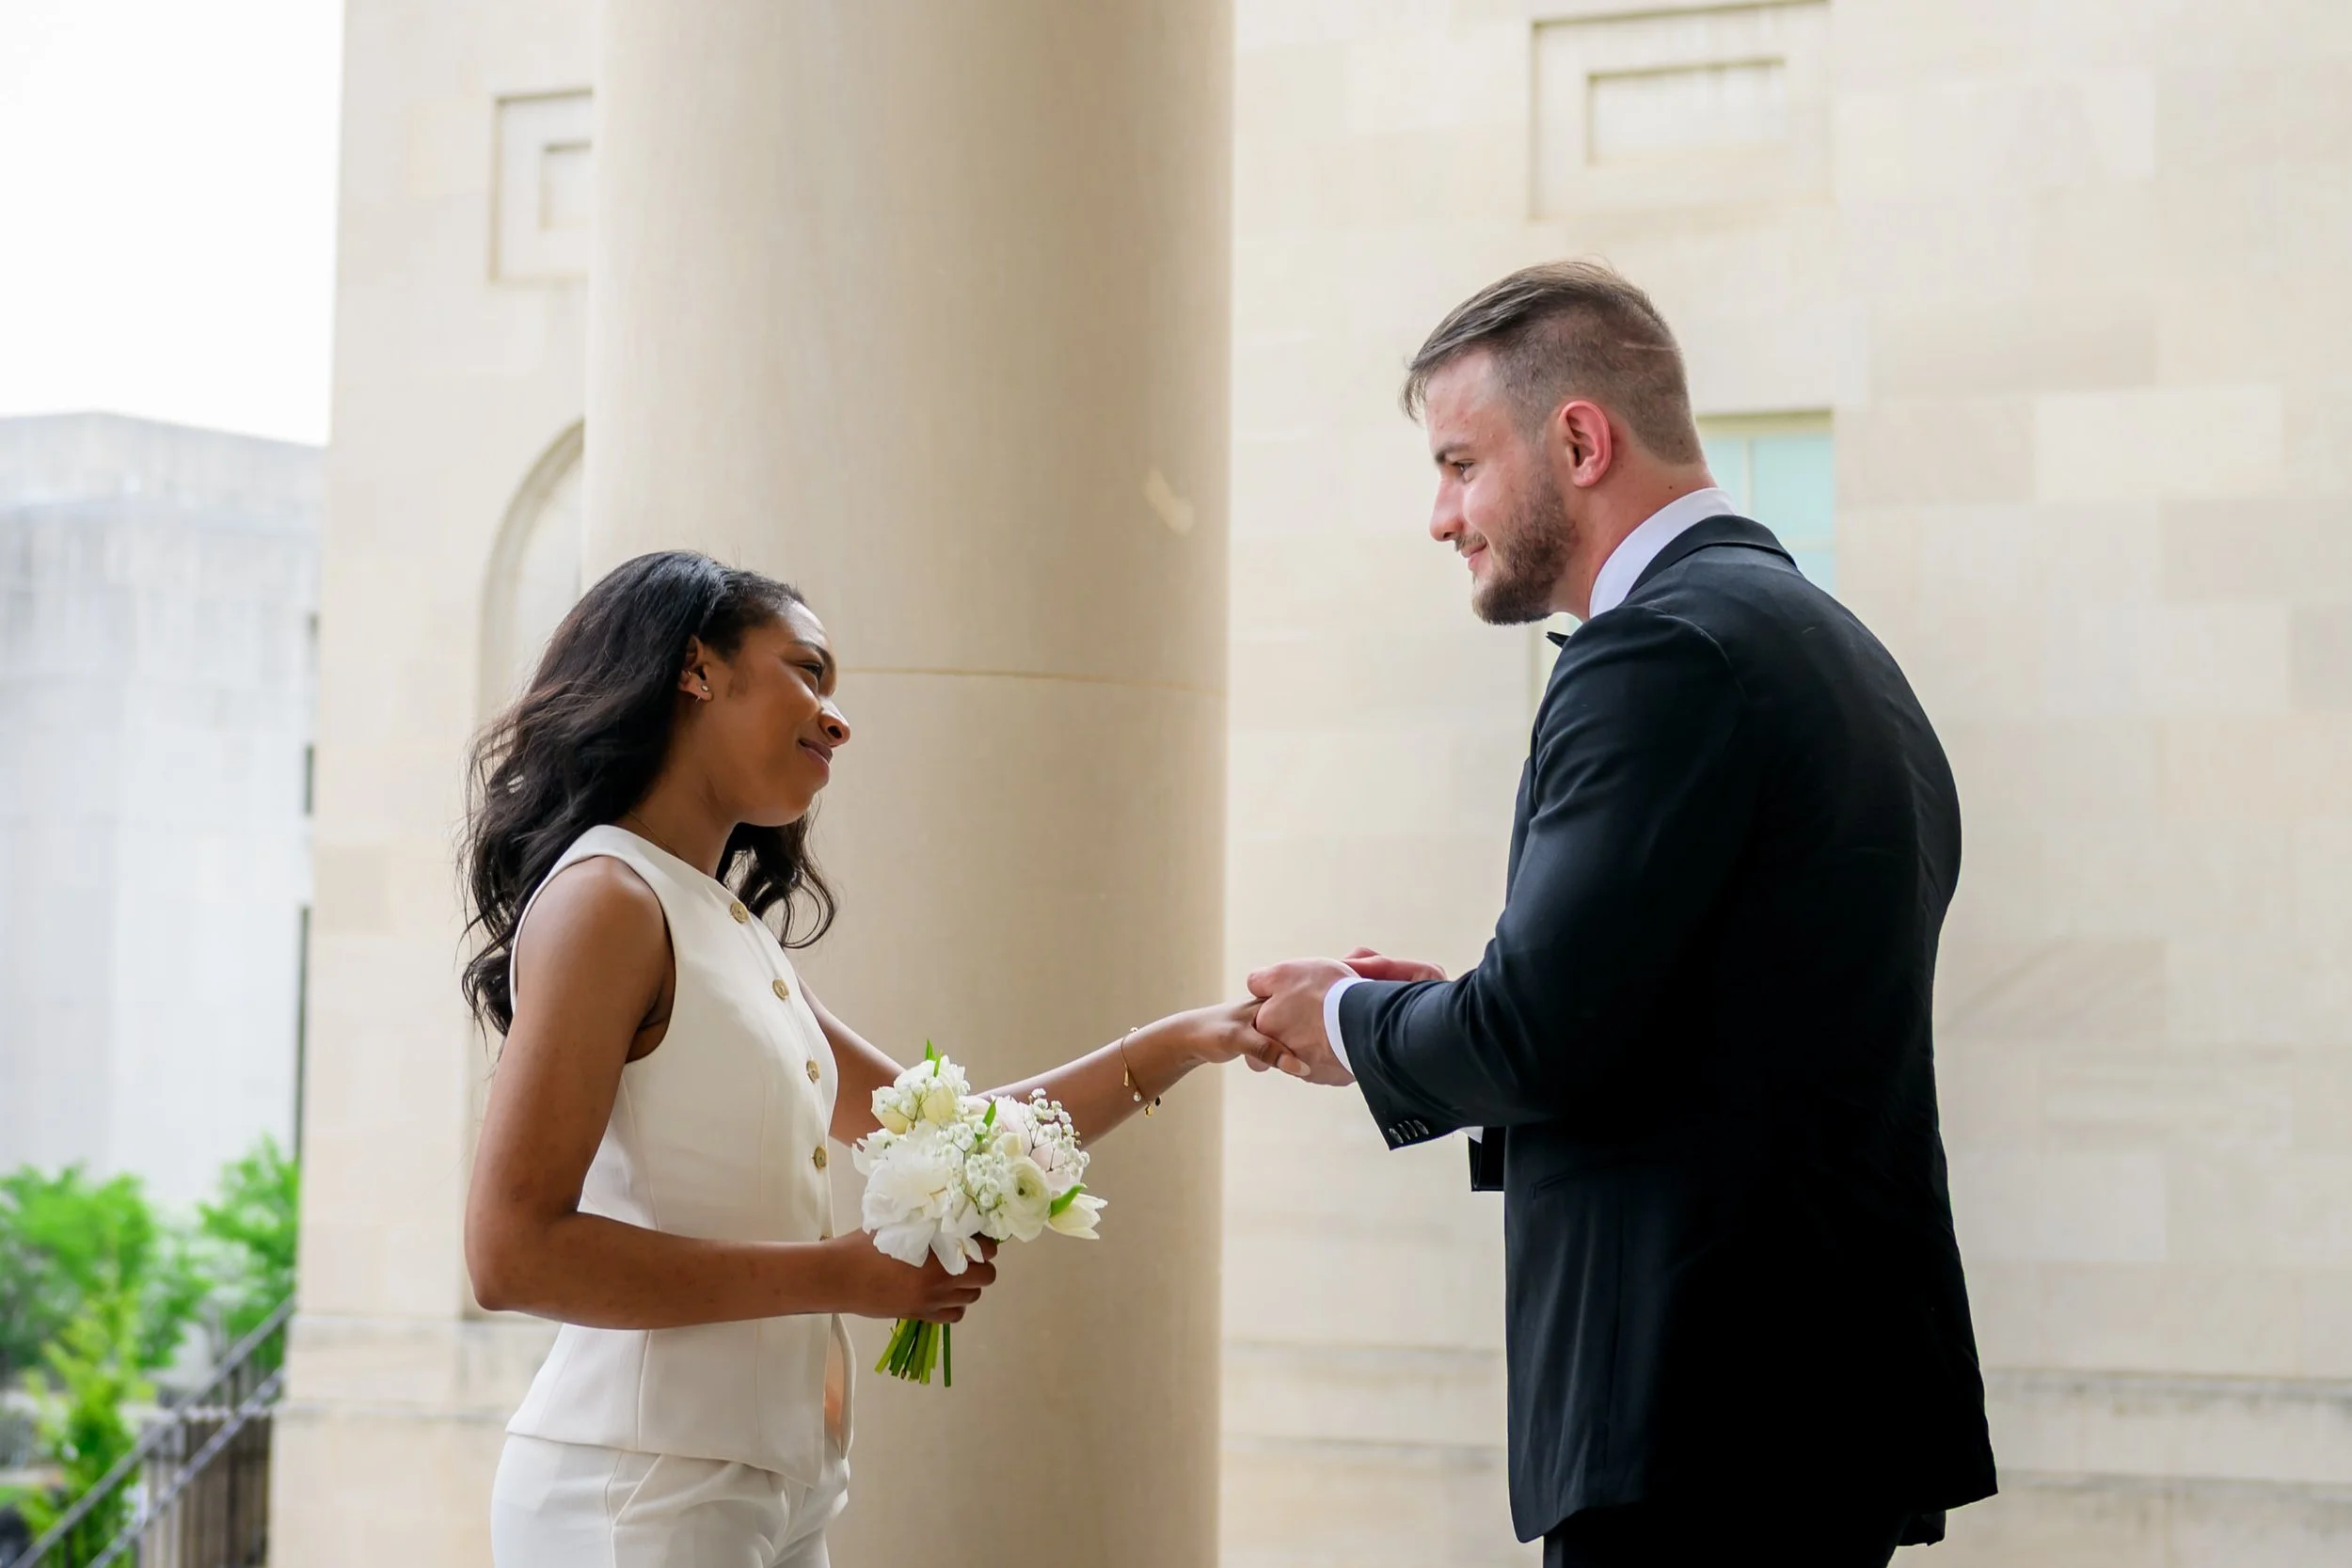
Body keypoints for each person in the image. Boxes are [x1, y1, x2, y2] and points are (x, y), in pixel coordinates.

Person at [1247, 261, 1997, 1567]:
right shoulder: (1840, 650)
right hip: (1825, 1409)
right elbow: (1682, 1024)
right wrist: (1461, 1012)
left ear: (1580, 439)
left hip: (1698, 1423)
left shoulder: (1657, 653)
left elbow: (1536, 1033)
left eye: (1460, 463)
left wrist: (1356, 1019)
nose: (1442, 515)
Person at [460, 550, 1265, 1568]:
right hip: (638, 1491)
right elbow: (511, 1250)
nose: (836, 719)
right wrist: (837, 1272)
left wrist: (1195, 1037)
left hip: (780, 1487)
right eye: (806, 669)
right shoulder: (607, 899)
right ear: (696, 668)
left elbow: (965, 1135)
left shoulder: (727, 927)